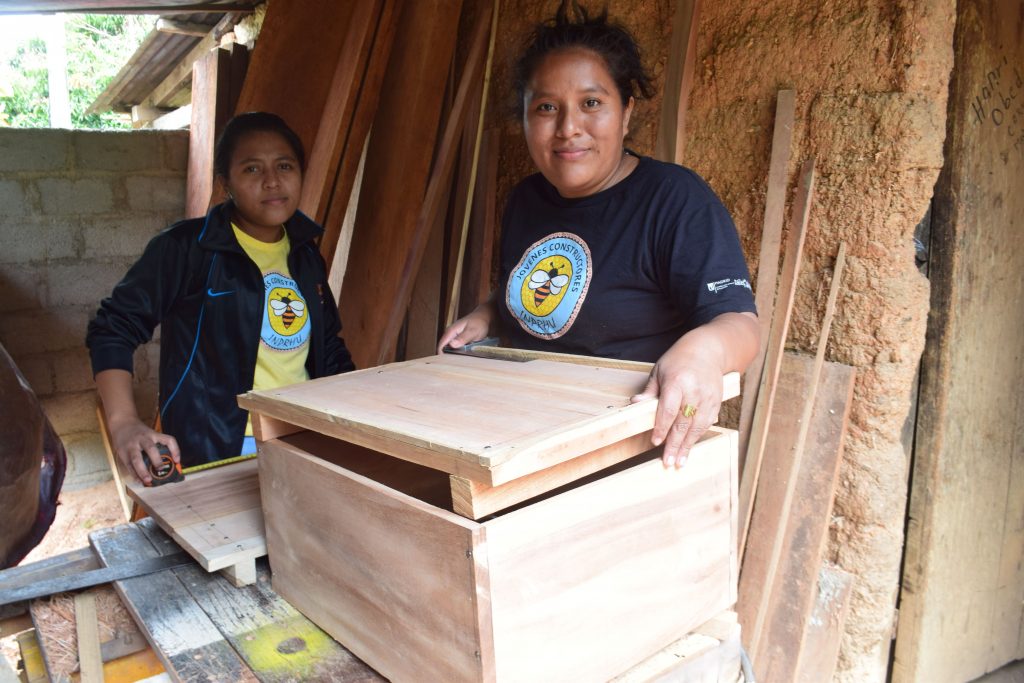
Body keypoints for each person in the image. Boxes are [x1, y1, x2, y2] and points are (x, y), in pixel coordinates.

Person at [438, 3, 759, 468]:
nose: (568, 128)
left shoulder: (674, 199)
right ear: (525, 119)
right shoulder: (526, 199)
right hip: (523, 435)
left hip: (626, 448)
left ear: (626, 112)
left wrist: (705, 351)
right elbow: (543, 292)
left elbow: (741, 324)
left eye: (591, 103)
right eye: (546, 107)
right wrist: (488, 314)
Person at [87, 112, 355, 484]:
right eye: (252, 169)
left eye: (284, 166)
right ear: (225, 182)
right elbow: (113, 328)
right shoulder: (188, 249)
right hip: (224, 449)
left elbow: (328, 347)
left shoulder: (305, 254)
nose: (272, 181)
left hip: (303, 437)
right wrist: (123, 422)